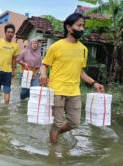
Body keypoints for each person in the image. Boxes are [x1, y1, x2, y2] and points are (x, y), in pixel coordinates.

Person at [39, 13, 105, 144]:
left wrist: (94, 83)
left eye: (83, 26)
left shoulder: (83, 49)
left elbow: (80, 71)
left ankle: (54, 133)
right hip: (57, 90)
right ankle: (53, 152)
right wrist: (43, 74)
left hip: (74, 92)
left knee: (75, 123)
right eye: (79, 25)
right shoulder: (56, 46)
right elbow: (44, 65)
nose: (82, 29)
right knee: (57, 124)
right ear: (69, 28)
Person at [0, 24, 19, 104]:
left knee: (7, 90)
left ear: (14, 34)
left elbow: (14, 59)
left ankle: (6, 109)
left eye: (12, 32)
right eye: (8, 32)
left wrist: (13, 71)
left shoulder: (15, 46)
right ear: (5, 32)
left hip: (8, 72)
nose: (10, 34)